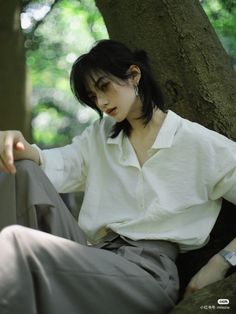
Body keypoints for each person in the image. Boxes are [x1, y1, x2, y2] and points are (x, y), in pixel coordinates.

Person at [0, 39, 235, 314]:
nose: (100, 102)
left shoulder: (198, 143)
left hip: (146, 273)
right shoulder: (100, 135)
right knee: (21, 169)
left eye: (104, 86)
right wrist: (21, 147)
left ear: (134, 75)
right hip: (91, 256)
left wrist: (221, 262)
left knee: (16, 242)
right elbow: (57, 163)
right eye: (92, 96)